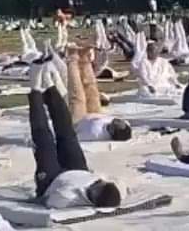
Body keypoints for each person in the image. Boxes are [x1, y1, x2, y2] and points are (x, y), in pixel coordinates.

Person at [27, 64, 123, 208]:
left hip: (51, 181)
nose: (95, 185)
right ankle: (49, 85)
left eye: (94, 190)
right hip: (79, 170)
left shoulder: (67, 198)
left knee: (44, 140)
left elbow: (44, 202)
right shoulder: (106, 186)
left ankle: (35, 87)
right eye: (98, 184)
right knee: (67, 133)